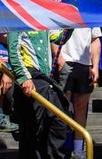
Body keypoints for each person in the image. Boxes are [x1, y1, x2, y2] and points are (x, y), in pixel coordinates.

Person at [9, 29, 71, 158]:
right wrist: (24, 77)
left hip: (45, 79)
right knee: (35, 129)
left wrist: (73, 24)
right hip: (31, 76)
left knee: (58, 123)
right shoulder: (17, 22)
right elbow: (13, 51)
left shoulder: (42, 22)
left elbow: (59, 38)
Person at [58, 27, 102, 158]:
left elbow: (95, 39)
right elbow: (52, 35)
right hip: (65, 60)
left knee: (81, 107)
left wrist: (95, 66)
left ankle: (78, 148)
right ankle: (60, 146)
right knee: (62, 106)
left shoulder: (88, 10)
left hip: (84, 64)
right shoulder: (61, 6)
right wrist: (59, 57)